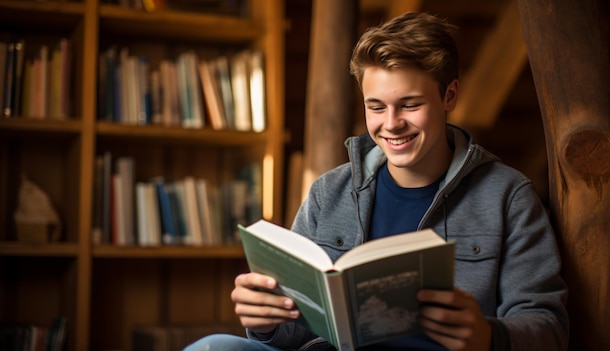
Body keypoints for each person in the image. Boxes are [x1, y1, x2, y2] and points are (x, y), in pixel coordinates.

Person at [184, 11, 569, 351]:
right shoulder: (328, 192)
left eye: (410, 105)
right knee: (214, 346)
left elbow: (549, 327)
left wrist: (490, 338)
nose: (391, 123)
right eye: (376, 106)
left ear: (449, 95)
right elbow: (296, 334)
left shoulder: (508, 196)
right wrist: (266, 322)